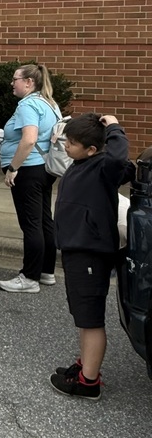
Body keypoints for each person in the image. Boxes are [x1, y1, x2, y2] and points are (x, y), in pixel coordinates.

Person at [50, 113, 134, 399]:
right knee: (82, 315)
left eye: (72, 143)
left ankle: (89, 382)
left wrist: (113, 126)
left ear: (92, 149)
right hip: (77, 249)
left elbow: (119, 157)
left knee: (91, 318)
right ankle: (85, 365)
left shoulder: (104, 167)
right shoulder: (82, 163)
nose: (66, 146)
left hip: (90, 252)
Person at [0, 62, 61, 293]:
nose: (12, 84)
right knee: (45, 220)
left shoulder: (28, 104)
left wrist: (13, 167)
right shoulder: (50, 103)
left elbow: (29, 139)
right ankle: (46, 271)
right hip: (43, 169)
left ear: (29, 82)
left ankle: (29, 277)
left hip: (28, 169)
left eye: (15, 79)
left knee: (31, 223)